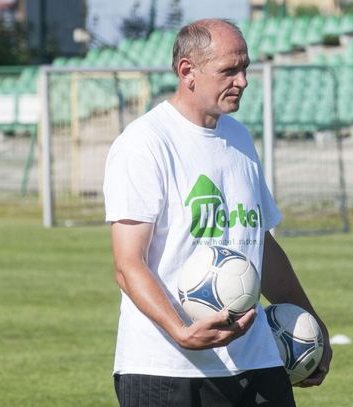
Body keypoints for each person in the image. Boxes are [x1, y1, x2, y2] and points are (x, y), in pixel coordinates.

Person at [103, 18, 332, 407]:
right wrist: (182, 331)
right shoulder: (144, 143)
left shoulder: (239, 137)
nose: (242, 81)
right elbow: (128, 264)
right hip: (167, 369)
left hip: (256, 360)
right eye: (229, 70)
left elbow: (260, 245)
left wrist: (312, 322)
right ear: (187, 71)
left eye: (245, 68)